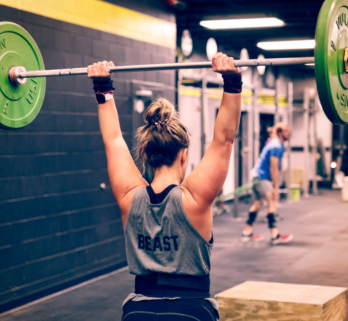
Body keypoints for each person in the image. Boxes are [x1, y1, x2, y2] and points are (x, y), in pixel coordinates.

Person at [87, 53, 242, 321]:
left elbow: (112, 139)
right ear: (183, 155)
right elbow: (224, 140)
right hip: (191, 313)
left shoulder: (129, 197)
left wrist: (103, 89)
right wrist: (232, 81)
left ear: (145, 155)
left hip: (139, 312)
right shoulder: (194, 199)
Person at [241, 122, 293, 245]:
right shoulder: (277, 146)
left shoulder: (276, 144)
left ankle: (246, 232)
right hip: (261, 178)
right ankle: (275, 235)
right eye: (285, 130)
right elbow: (273, 168)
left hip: (258, 177)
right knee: (272, 201)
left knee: (258, 204)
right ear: (280, 132)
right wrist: (275, 188)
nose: (288, 132)